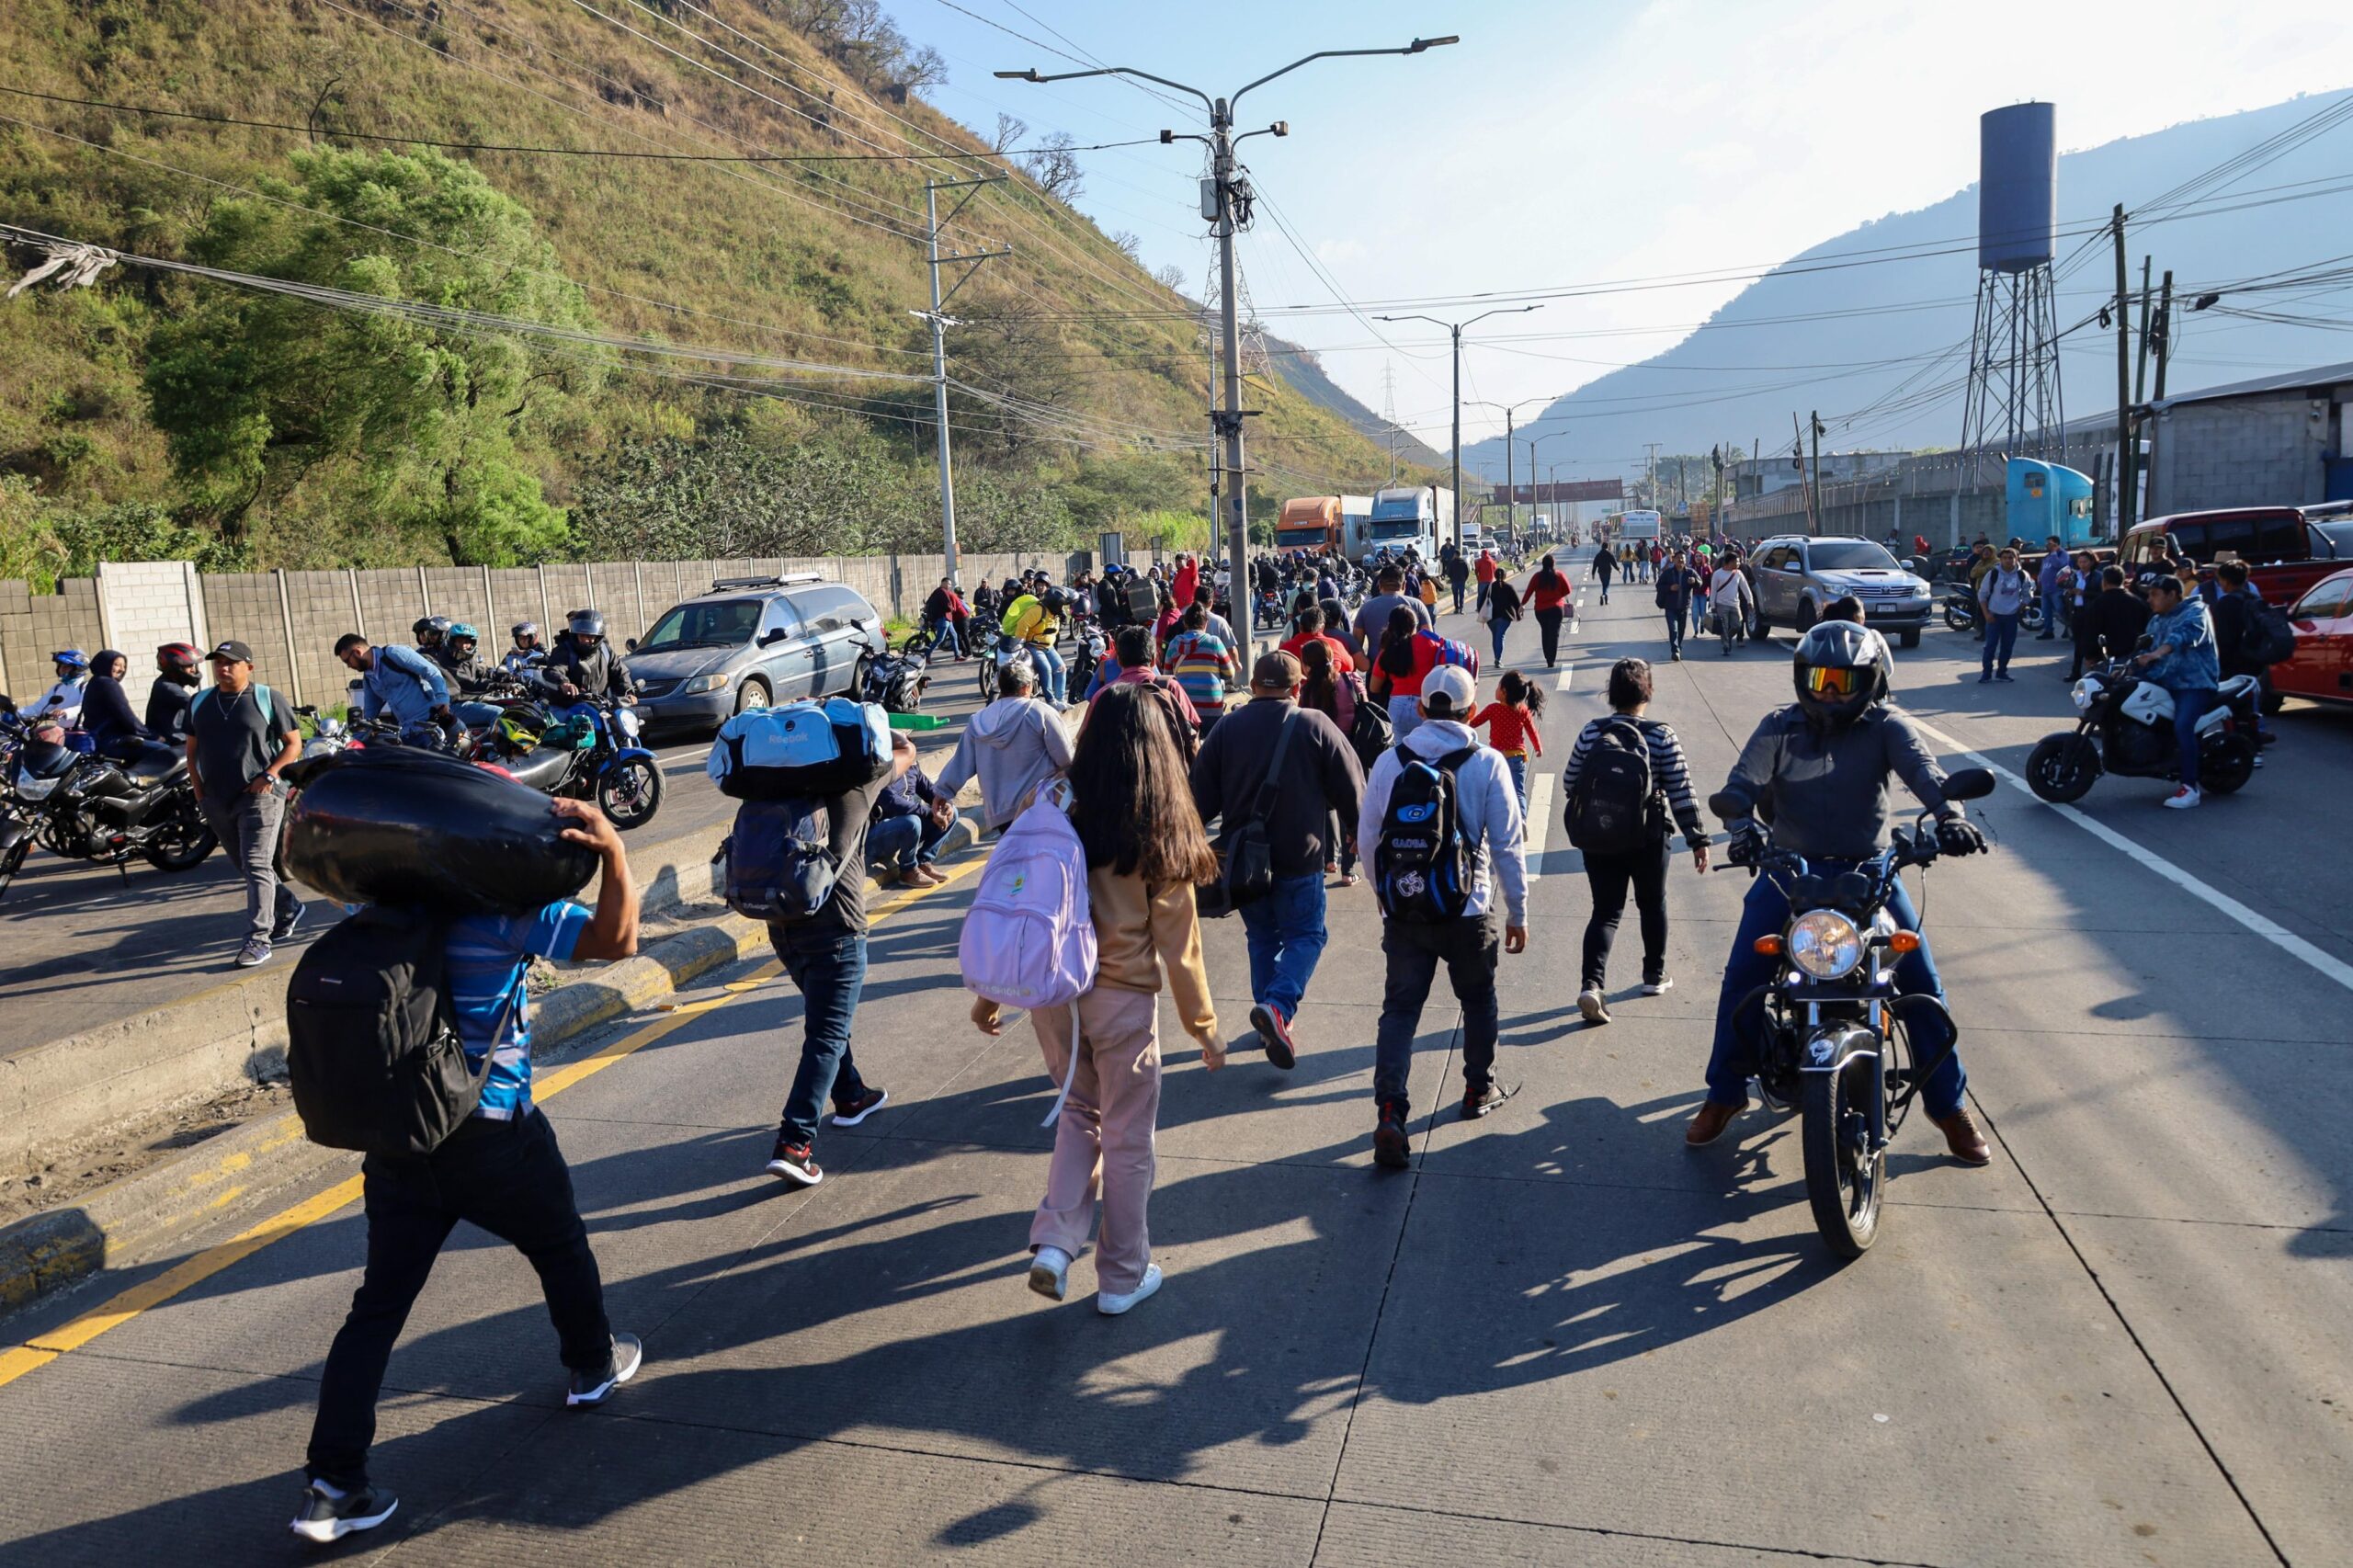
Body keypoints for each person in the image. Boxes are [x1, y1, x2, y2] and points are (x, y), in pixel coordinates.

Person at [290, 794, 642, 1543]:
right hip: (494, 1133)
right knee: (558, 1246)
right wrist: (611, 852)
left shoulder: (372, 921)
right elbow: (618, 941)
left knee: (376, 1310)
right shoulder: (507, 914)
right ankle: (590, 1366)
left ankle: (333, 1483)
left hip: (399, 1141)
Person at [1687, 620, 1990, 1163]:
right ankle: (1725, 1094)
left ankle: (1947, 1105)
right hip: (1788, 870)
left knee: (1921, 983)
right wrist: (1741, 827)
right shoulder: (1779, 726)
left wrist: (1949, 816)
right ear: (1803, 677)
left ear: (1870, 682)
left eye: (1843, 682)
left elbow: (1926, 773)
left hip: (1871, 872)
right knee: (1743, 978)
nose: (1829, 692)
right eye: (1821, 679)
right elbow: (1742, 784)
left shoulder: (1886, 727)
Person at [972, 684, 1222, 1317]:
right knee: (1129, 1139)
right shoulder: (1158, 820)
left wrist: (988, 994)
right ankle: (1121, 1276)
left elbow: (1017, 899)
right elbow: (1180, 946)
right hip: (1123, 1002)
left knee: (1080, 1115)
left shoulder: (1053, 802)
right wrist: (1205, 1027)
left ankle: (1055, 1245)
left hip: (1055, 997)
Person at [1357, 665, 1529, 1165]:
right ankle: (1479, 1089)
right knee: (1477, 1001)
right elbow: (1507, 845)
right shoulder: (1488, 761)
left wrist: (1387, 897)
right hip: (1468, 910)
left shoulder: (1392, 760)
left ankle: (1391, 1110)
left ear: (1424, 709)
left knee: (1400, 1011)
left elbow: (1369, 841)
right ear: (1471, 712)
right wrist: (1517, 910)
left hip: (1406, 912)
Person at [1191, 651, 1364, 1068]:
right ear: (1297, 688)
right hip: (1301, 857)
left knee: (1263, 937)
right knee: (1307, 936)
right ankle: (1278, 1008)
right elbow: (1353, 789)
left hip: (1245, 864)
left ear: (1253, 686)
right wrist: (1357, 835)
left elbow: (1197, 800)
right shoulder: (1314, 724)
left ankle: (1268, 1016)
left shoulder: (1227, 730)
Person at [760, 705, 906, 1188]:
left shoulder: (772, 781)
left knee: (826, 1018)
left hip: (782, 924)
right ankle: (795, 1142)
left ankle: (851, 1095)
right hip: (837, 930)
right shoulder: (856, 787)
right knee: (824, 1033)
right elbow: (903, 750)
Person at [1560, 659, 1707, 1023]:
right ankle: (1654, 975)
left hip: (1599, 835)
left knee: (1605, 912)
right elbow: (1680, 790)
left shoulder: (1592, 732)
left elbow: (1569, 782)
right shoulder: (1661, 735)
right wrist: (1697, 836)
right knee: (1652, 903)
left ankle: (1592, 984)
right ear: (1647, 692)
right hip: (1648, 837)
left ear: (1611, 693)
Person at [185, 641, 306, 968]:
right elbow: (191, 750)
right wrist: (200, 794)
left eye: (231, 663)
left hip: (260, 797)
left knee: (255, 865)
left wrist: (269, 775)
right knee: (247, 866)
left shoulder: (267, 698)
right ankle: (288, 905)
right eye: (218, 662)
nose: (223, 668)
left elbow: (293, 744)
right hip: (216, 798)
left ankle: (258, 939)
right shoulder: (200, 702)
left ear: (248, 667)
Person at [937, 657, 1075, 834]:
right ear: (1026, 687)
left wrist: (942, 793)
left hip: (1001, 814)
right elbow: (1067, 759)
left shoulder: (979, 720)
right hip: (1042, 805)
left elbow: (960, 763)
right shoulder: (1041, 713)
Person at [2134, 574, 2222, 810]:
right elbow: (2145, 646)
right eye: (2148, 594)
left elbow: (2184, 635)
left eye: (2155, 594)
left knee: (2183, 726)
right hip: (2164, 680)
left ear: (2173, 595)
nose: (2150, 599)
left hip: (2193, 684)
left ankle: (2190, 788)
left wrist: (2158, 653)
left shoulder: (2196, 612)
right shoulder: (2156, 619)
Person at [1297, 638, 1369, 886]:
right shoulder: (1351, 680)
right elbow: (1365, 710)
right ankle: (1349, 872)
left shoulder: (1306, 691)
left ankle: (1330, 859)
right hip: (1351, 752)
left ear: (1307, 666)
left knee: (1326, 807)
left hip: (1317, 755)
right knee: (1350, 809)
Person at [1369, 605, 1477, 743]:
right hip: (1426, 706)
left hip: (1397, 706)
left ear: (1390, 626)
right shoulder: (1431, 643)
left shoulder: (1388, 650)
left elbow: (1374, 688)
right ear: (1416, 625)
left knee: (1401, 752)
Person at [868, 732, 958, 887]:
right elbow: (893, 803)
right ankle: (908, 870)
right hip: (878, 836)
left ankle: (924, 861)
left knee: (952, 813)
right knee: (912, 821)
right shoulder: (880, 770)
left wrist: (945, 804)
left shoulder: (912, 767)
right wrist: (931, 813)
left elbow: (931, 791)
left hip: (906, 830)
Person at [336, 633, 454, 746]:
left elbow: (431, 672)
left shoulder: (393, 654)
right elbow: (369, 715)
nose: (349, 666)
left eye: (347, 661)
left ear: (357, 651)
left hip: (433, 727)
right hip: (408, 734)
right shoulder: (369, 678)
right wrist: (352, 741)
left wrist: (442, 699)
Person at [1159, 599, 1238, 734]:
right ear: (1205, 624)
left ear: (1185, 623)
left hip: (1183, 708)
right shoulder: (1214, 643)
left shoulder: (1173, 644)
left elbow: (1168, 676)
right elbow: (1230, 673)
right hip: (1212, 708)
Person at [1471, 669, 1545, 810]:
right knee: (1519, 792)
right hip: (1517, 757)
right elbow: (1532, 730)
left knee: (1494, 792)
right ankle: (1522, 819)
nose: (1496, 689)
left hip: (1497, 759)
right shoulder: (1523, 710)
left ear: (1504, 692)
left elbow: (1474, 723)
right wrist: (1537, 746)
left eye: (1498, 686)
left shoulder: (1493, 709)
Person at [77, 650, 155, 763]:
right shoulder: (108, 684)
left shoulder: (94, 682)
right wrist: (151, 735)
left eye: (124, 666)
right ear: (105, 664)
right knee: (164, 750)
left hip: (99, 741)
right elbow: (126, 716)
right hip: (113, 740)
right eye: (117, 665)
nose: (122, 669)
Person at [2075, 563, 2151, 681]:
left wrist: (2090, 656)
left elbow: (2091, 632)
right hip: (2137, 658)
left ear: (2104, 582)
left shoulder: (2098, 604)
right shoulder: (2138, 602)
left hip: (2110, 659)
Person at [545, 610, 636, 704]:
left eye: (590, 636)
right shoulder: (564, 650)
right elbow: (555, 669)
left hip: (601, 706)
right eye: (582, 635)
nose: (586, 640)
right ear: (576, 634)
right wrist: (563, 683)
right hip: (568, 706)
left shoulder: (605, 651)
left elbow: (620, 672)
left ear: (597, 636)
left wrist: (628, 691)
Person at [1977, 545, 2031, 683]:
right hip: (1994, 615)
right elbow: (1982, 595)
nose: (2008, 560)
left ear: (2016, 559)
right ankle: (1986, 673)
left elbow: (2028, 594)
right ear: (2000, 559)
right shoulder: (1993, 574)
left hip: (2011, 617)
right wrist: (1987, 614)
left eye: (2011, 557)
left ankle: (2002, 672)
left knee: (2007, 646)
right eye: (2005, 558)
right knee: (1990, 646)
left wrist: (2020, 608)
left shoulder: (2022, 575)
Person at [1351, 564, 1432, 651]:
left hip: (1375, 662)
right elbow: (1429, 641)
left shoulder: (1365, 608)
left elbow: (1356, 647)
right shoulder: (1417, 605)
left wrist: (1367, 664)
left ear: (1379, 585)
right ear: (1404, 585)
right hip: (1411, 662)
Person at [1523, 554, 1576, 668]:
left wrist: (1522, 604)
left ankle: (1547, 656)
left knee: (1545, 632)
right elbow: (1567, 590)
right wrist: (1558, 596)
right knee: (1554, 634)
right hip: (1556, 609)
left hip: (1540, 611)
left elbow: (1529, 591)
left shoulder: (1537, 577)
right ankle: (1551, 659)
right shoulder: (1559, 575)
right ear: (1553, 564)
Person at [147, 642, 202, 741]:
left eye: (193, 665)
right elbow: (195, 705)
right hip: (172, 744)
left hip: (178, 740)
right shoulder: (167, 687)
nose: (193, 670)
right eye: (189, 666)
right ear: (175, 667)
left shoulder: (166, 683)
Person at [1279, 604, 1354, 674]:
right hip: (1330, 686)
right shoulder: (1335, 645)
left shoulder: (1286, 649)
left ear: (1300, 627)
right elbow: (1350, 668)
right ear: (1322, 627)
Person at [1654, 552, 1699, 661]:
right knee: (1673, 629)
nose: (1680, 560)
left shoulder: (1690, 572)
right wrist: (1670, 588)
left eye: (1682, 558)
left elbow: (1700, 582)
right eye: (1678, 558)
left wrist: (1694, 581)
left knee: (1681, 630)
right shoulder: (1668, 573)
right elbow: (1659, 586)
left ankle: (1678, 646)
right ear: (1673, 560)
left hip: (1684, 607)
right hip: (1670, 607)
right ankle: (1675, 650)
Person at [33, 649, 90, 726]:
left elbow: (84, 708)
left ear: (77, 669)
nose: (61, 670)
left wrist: (65, 712)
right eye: (60, 666)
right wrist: (18, 713)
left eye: (66, 667)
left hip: (82, 732)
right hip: (63, 732)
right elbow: (40, 707)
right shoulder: (57, 688)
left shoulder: (86, 686)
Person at [1482, 570, 1523, 666]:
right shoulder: (1509, 587)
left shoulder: (1489, 587)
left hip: (1491, 617)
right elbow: (1516, 603)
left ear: (1494, 576)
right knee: (1500, 636)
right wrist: (1519, 615)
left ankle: (1497, 657)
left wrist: (1481, 613)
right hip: (1505, 617)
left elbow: (1481, 602)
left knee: (1495, 636)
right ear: (1505, 576)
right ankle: (1498, 659)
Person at [921, 578, 967, 657]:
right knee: (940, 639)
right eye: (949, 584)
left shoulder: (937, 591)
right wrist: (951, 609)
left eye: (950, 584)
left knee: (954, 636)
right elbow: (948, 605)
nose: (950, 586)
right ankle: (926, 654)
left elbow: (929, 601)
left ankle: (957, 656)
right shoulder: (943, 592)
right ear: (943, 583)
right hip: (943, 618)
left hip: (947, 619)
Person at [2035, 538, 2067, 640]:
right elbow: (2043, 569)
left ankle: (2069, 627)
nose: (2047, 545)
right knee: (2046, 611)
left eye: (2050, 544)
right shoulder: (2047, 557)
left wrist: (2054, 553)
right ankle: (2048, 631)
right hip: (2045, 589)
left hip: (2056, 588)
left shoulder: (2062, 554)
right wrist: (2039, 580)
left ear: (2056, 544)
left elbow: (2059, 565)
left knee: (2060, 609)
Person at [1444, 549, 1471, 613]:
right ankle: (1461, 608)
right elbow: (1467, 572)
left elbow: (1448, 572)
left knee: (1455, 595)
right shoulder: (1463, 562)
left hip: (1454, 581)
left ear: (1455, 555)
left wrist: (1451, 578)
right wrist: (1465, 578)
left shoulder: (1452, 562)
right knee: (1461, 595)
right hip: (1462, 580)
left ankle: (1456, 608)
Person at [1473, 547, 1498, 613]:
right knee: (1490, 595)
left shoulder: (1480, 561)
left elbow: (1476, 571)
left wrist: (1477, 577)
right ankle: (1492, 607)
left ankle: (1479, 608)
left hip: (1482, 581)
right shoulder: (1492, 561)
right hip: (1490, 581)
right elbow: (1495, 570)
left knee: (1481, 595)